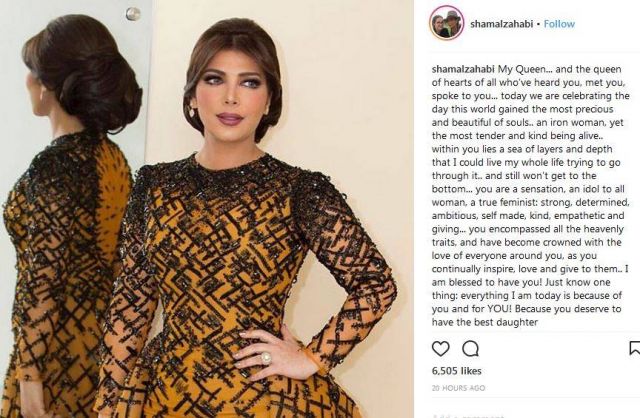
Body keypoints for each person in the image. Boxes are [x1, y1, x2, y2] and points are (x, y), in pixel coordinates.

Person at [93, 17, 397, 418]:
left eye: (250, 83)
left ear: (269, 101)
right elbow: (130, 307)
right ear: (192, 95)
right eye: (215, 79)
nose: (231, 98)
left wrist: (310, 358)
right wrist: (107, 407)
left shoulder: (299, 190)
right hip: (165, 398)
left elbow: (376, 284)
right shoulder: (153, 185)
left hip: (264, 401)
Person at [1, 14, 142, 418]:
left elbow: (41, 280)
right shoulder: (112, 158)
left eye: (33, 71)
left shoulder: (55, 166)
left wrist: (29, 380)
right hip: (101, 359)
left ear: (49, 85)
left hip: (53, 365)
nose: (27, 81)